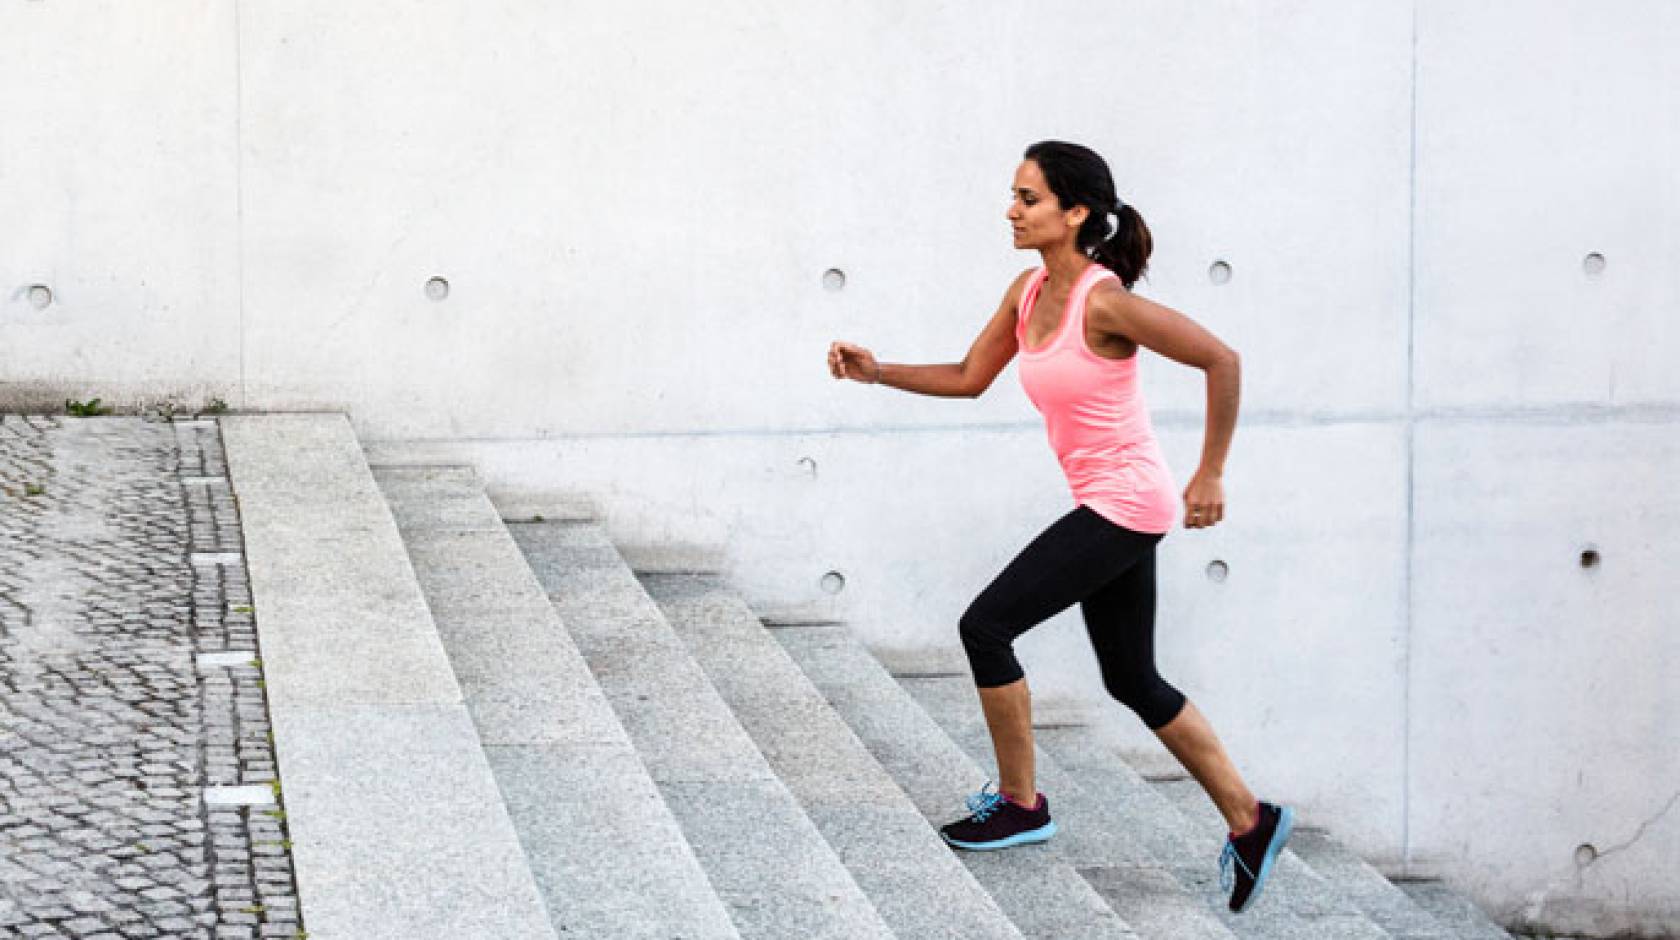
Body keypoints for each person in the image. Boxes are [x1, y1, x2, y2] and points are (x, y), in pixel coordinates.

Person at [825, 140, 1293, 913]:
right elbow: (970, 379)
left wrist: (1210, 472)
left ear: (1076, 213)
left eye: (1029, 199)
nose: (1012, 210)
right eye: (1013, 196)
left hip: (1126, 504)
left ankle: (1020, 804)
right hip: (1110, 505)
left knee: (986, 625)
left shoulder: (1105, 303)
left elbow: (1222, 359)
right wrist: (878, 371)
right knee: (1130, 678)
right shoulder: (1027, 290)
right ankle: (1251, 819)